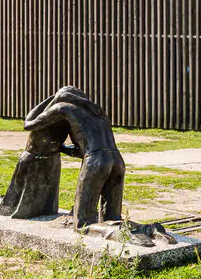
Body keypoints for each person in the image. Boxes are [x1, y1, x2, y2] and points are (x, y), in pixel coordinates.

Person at [23, 86, 125, 228]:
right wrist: (64, 149)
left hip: (96, 160)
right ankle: (140, 231)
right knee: (113, 218)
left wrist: (49, 101)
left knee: (83, 224)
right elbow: (80, 151)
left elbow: (28, 124)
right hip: (117, 160)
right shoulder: (99, 112)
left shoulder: (63, 108)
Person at [0, 104, 76, 218]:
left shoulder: (66, 119)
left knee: (47, 198)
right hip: (35, 158)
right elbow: (28, 125)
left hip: (51, 159)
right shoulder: (52, 117)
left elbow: (29, 124)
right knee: (23, 196)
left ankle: (43, 210)